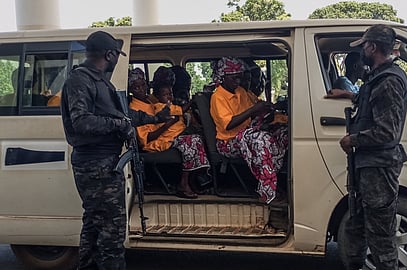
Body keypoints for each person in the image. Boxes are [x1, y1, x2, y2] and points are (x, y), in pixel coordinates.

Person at [60, 31, 170, 269]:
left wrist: (154, 117)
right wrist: (119, 126)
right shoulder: (81, 80)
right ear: (109, 54)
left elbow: (122, 114)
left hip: (104, 163)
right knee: (112, 232)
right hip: (96, 164)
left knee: (94, 225)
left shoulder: (99, 80)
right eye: (117, 55)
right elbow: (82, 121)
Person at [340, 25, 407, 270]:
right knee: (355, 227)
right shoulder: (377, 77)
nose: (362, 52)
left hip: (379, 167)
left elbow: (387, 132)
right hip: (369, 166)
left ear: (372, 47)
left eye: (364, 46)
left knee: (380, 235)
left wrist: (352, 140)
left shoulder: (389, 80)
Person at [209, 56, 288, 204]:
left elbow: (256, 107)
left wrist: (268, 109)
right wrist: (253, 110)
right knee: (261, 140)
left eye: (240, 78)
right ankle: (267, 192)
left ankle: (278, 180)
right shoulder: (217, 97)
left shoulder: (241, 91)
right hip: (228, 142)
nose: (238, 82)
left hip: (247, 133)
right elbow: (229, 124)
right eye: (234, 78)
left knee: (284, 132)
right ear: (223, 76)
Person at [140, 66, 211, 199]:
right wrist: (191, 102)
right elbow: (180, 110)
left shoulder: (169, 103)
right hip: (169, 138)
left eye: (171, 93)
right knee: (192, 141)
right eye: (167, 94)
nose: (170, 96)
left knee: (198, 139)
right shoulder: (161, 107)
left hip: (179, 134)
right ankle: (183, 183)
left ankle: (196, 179)